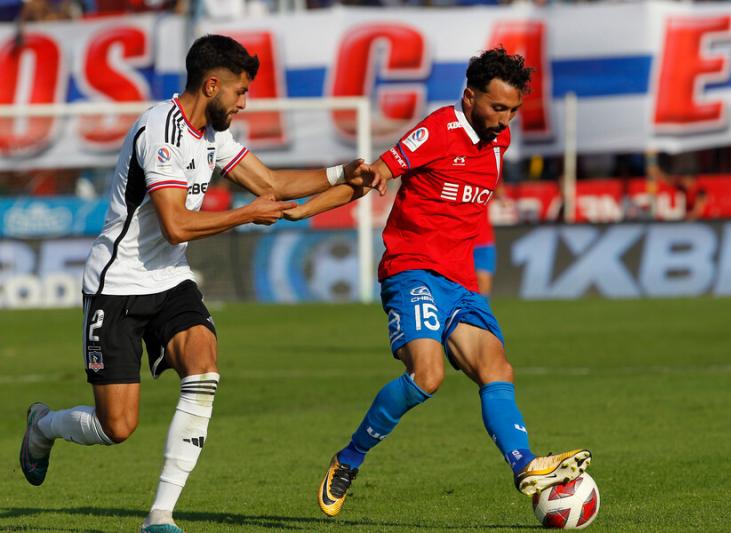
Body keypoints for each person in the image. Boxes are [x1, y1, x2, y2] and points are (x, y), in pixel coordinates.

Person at [18, 34, 376, 533]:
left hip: (170, 280)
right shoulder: (160, 132)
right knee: (115, 427)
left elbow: (270, 183)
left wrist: (344, 173)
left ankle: (160, 516)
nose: (244, 102)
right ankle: (43, 426)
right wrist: (244, 214)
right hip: (117, 284)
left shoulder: (212, 133)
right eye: (240, 91)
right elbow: (176, 226)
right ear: (212, 85)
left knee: (204, 367)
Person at [283, 47, 591, 518]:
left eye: (512, 110)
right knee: (428, 376)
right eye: (497, 107)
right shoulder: (437, 131)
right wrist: (305, 210)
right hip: (412, 269)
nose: (505, 119)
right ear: (469, 97)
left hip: (460, 281)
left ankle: (526, 466)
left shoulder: (498, 140)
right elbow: (373, 176)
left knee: (497, 368)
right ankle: (349, 458)